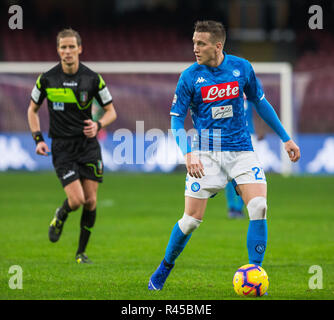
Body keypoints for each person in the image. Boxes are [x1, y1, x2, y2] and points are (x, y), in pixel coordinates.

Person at [148, 20, 300, 290]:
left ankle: (255, 274)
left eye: (201, 43)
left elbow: (260, 103)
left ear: (218, 46)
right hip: (206, 155)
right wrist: (188, 154)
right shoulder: (189, 77)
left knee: (259, 207)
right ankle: (164, 268)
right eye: (194, 42)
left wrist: (285, 137)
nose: (195, 48)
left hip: (242, 151)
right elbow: (175, 122)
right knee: (191, 220)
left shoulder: (242, 68)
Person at [27, 28, 117, 264]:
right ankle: (61, 214)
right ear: (58, 50)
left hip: (88, 146)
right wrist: (38, 139)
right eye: (63, 47)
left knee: (91, 201)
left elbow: (111, 112)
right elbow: (32, 110)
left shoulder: (93, 78)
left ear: (80, 49)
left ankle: (80, 253)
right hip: (62, 147)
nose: (67, 51)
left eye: (71, 47)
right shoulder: (46, 78)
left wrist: (98, 125)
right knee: (76, 200)